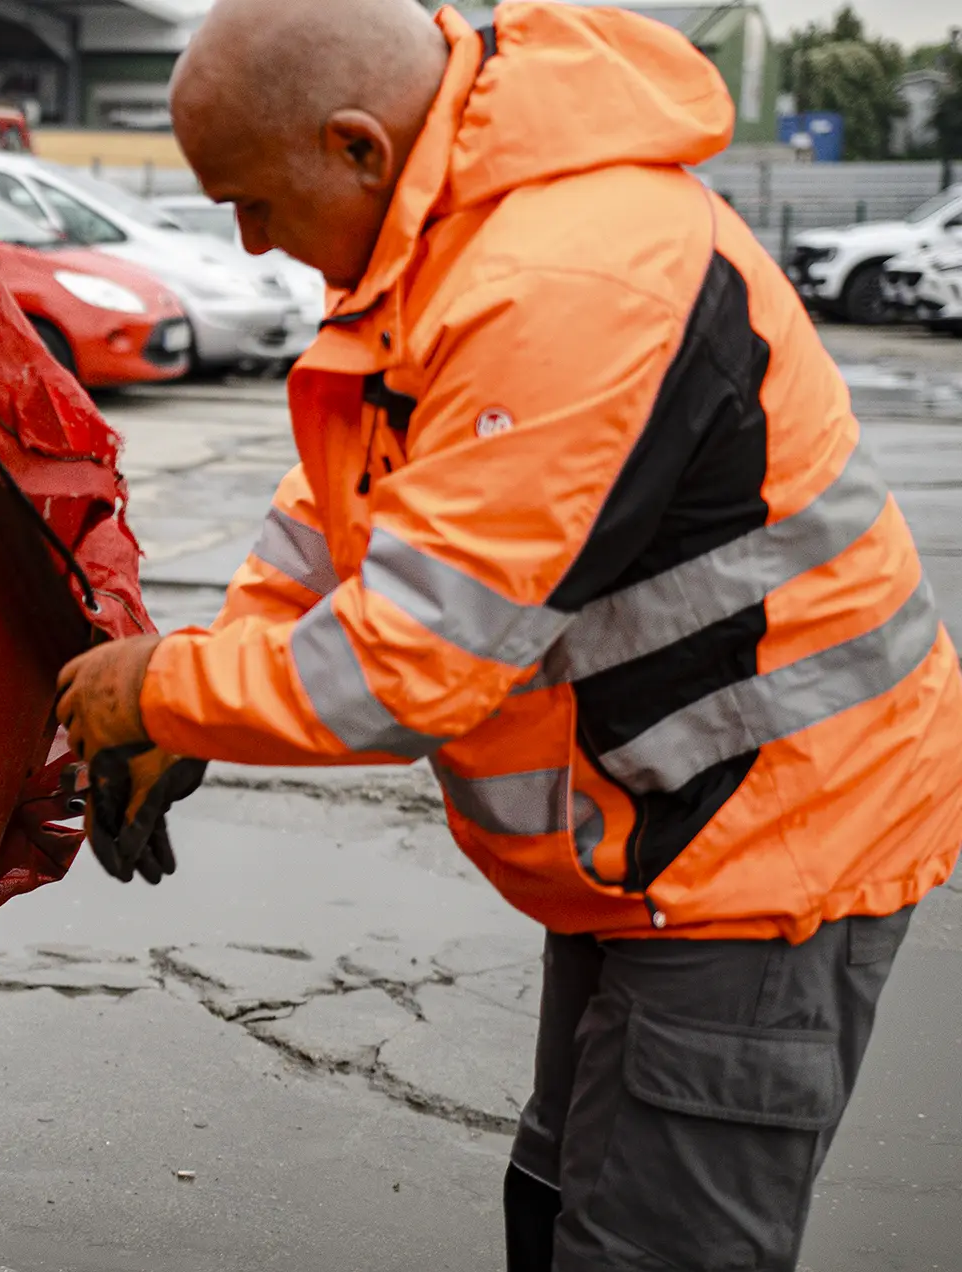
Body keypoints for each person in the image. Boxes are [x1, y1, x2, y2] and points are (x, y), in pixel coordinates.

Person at [52, 1, 962, 1268]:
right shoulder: (443, 238)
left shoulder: (565, 282)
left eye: (253, 202)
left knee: (644, 1246)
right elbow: (340, 506)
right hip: (659, 837)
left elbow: (414, 667)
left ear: (359, 147)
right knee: (562, 1203)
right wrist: (204, 686)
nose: (253, 244)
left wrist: (160, 693)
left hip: (767, 853)